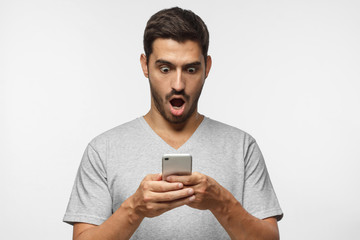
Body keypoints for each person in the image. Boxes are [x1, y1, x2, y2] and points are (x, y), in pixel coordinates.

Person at [63, 7, 283, 240]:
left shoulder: (242, 147)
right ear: (145, 65)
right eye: (165, 68)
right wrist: (135, 208)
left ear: (207, 67)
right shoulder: (102, 150)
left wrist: (221, 202)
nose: (178, 84)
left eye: (190, 69)